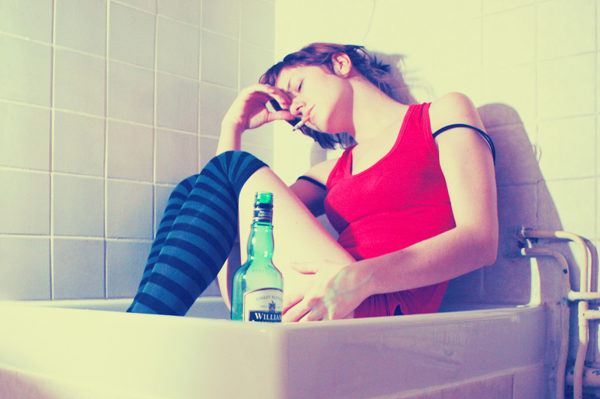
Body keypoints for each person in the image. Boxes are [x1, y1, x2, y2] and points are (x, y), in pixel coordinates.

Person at [127, 43, 497, 321]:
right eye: (289, 105)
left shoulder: (440, 115)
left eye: (299, 87)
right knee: (191, 189)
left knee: (232, 169)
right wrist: (233, 126)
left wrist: (361, 278)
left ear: (340, 63)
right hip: (316, 296)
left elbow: (480, 241)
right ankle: (142, 326)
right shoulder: (332, 171)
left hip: (375, 301)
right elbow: (235, 213)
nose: (296, 107)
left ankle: (140, 330)